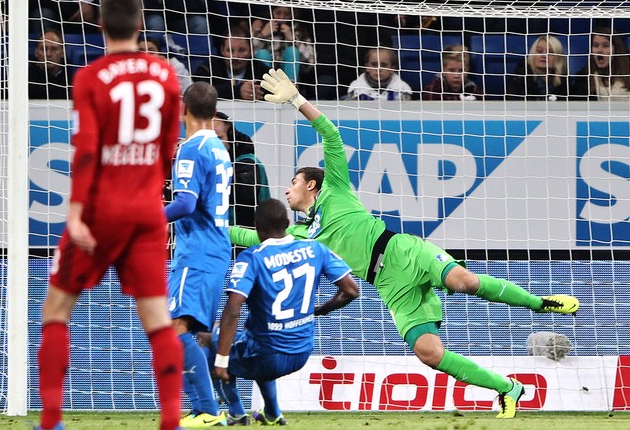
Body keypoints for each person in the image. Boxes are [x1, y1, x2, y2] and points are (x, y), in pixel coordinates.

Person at [230, 68, 581, 419]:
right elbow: (249, 236)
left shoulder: (336, 189)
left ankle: (540, 303)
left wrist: (297, 100)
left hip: (403, 250)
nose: (287, 188)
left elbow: (331, 136)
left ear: (311, 185)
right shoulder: (300, 235)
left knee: (465, 281)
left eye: (293, 181)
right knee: (428, 353)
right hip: (387, 283)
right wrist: (203, 224)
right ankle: (508, 389)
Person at [36, 0, 183, 430]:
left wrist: (77, 213)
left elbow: (85, 152)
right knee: (158, 318)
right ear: (141, 27)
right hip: (146, 211)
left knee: (57, 309)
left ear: (100, 26)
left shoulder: (90, 77)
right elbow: (165, 148)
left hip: (101, 211)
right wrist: (152, 192)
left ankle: (50, 419)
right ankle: (171, 421)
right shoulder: (164, 73)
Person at [202, 198, 359, 426]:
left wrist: (222, 360)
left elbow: (233, 309)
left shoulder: (252, 257)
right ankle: (273, 413)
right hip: (301, 353)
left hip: (266, 356)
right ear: (287, 222)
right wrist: (319, 310)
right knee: (249, 339)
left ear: (256, 227)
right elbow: (351, 291)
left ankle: (236, 413)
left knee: (208, 340)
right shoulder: (315, 249)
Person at [164, 81, 233, 427]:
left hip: (197, 252)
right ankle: (227, 409)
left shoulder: (191, 148)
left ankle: (206, 410)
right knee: (199, 331)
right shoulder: (220, 148)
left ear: (182, 108)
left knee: (175, 328)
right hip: (215, 249)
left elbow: (186, 203)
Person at [213, 111, 270, 230]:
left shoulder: (248, 162)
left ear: (232, 137)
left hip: (244, 242)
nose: (213, 144)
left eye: (218, 138)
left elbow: (243, 193)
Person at [192, 25, 270, 101]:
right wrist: (238, 92)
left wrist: (255, 92)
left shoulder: (262, 71)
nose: (235, 56)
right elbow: (198, 92)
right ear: (222, 50)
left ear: (251, 50)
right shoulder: (207, 68)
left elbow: (275, 92)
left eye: (241, 50)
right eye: (230, 50)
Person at [251, 5, 315, 84]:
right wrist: (263, 34)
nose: (282, 17)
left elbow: (311, 62)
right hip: (268, 71)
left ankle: (290, 89)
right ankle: (265, 87)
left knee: (292, 51)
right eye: (278, 13)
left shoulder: (299, 29)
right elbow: (249, 52)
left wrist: (292, 40)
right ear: (271, 13)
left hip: (290, 72)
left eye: (287, 14)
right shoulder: (262, 26)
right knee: (262, 53)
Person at [570, 27, 630, 101]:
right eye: (595, 45)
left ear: (616, 49)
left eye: (606, 46)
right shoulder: (584, 79)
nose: (599, 50)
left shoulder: (628, 72)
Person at [506, 35, 569, 101]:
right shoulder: (518, 80)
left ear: (558, 58)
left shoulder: (566, 85)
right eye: (539, 51)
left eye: (550, 52)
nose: (544, 55)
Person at [346, 47, 413, 100]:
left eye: (384, 65)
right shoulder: (356, 88)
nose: (379, 69)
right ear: (367, 67)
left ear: (392, 68)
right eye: (374, 64)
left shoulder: (403, 89)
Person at [29, 30, 70, 100]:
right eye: (44, 49)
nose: (48, 54)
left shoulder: (72, 79)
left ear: (63, 52)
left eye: (54, 49)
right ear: (36, 52)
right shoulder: (26, 79)